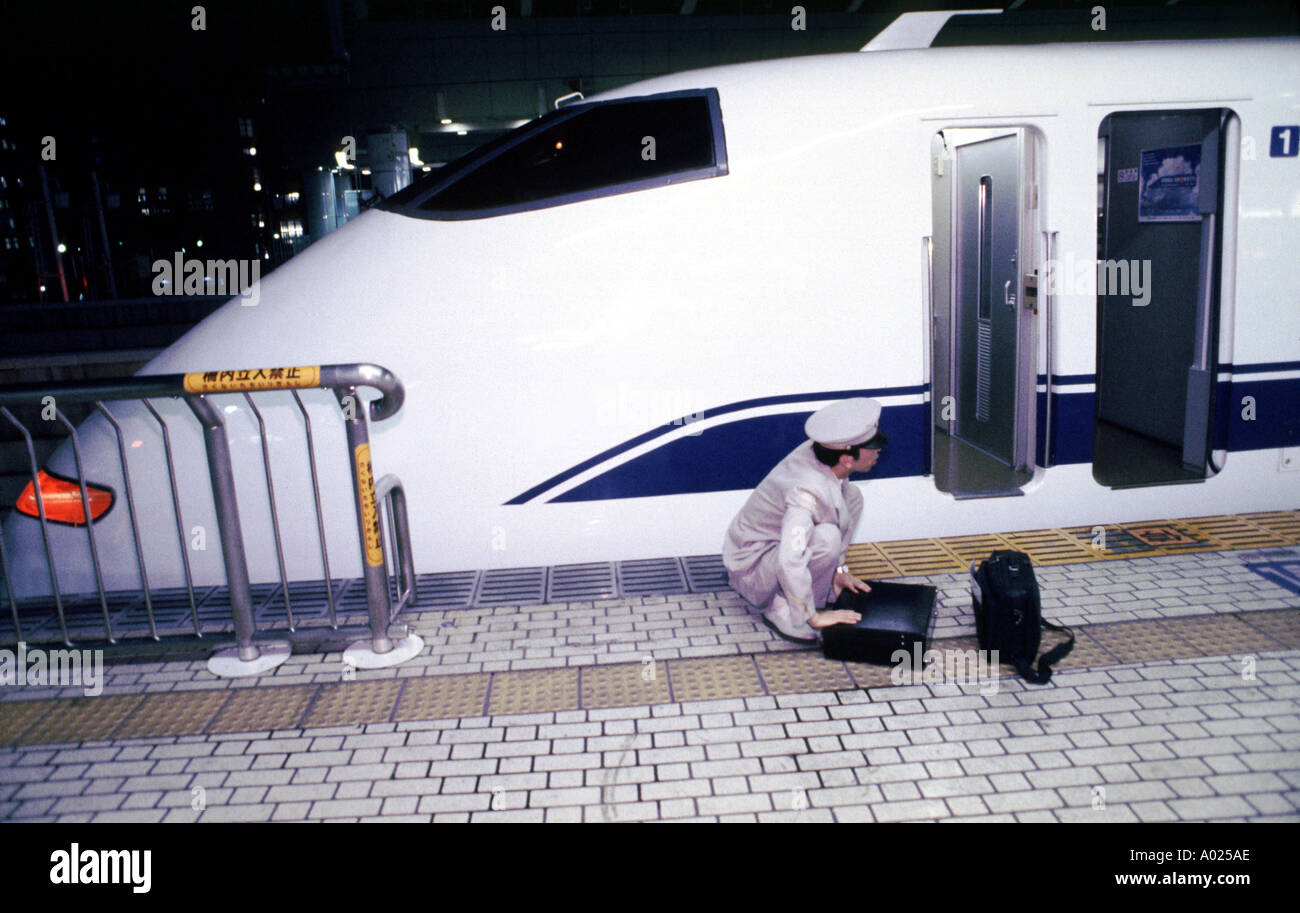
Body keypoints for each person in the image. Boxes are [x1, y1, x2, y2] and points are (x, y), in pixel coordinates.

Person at [722, 398, 887, 645]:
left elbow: (838, 503)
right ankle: (784, 607)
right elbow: (790, 558)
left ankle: (823, 584)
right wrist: (813, 617)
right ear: (847, 459)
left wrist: (839, 570)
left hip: (774, 547)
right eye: (871, 447)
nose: (878, 451)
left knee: (852, 497)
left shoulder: (825, 451)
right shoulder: (806, 491)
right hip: (753, 565)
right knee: (827, 538)